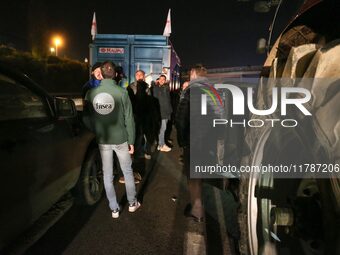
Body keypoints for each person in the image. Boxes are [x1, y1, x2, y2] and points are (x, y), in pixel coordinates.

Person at [84, 61, 141, 218]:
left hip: (103, 139)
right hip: (121, 139)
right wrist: (131, 141)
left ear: (101, 74)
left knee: (108, 175)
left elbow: (86, 118)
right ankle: (132, 203)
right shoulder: (122, 93)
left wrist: (96, 130)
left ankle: (114, 208)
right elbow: (129, 119)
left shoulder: (91, 94)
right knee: (127, 172)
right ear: (115, 74)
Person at [176, 64, 221, 222]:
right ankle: (200, 205)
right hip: (209, 141)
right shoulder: (214, 91)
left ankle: (197, 211)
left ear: (194, 75)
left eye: (190, 75)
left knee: (193, 178)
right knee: (201, 175)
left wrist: (181, 140)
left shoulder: (191, 90)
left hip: (193, 140)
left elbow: (181, 118)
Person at [152, 74, 172, 152]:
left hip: (166, 112)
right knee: (162, 129)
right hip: (161, 113)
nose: (161, 80)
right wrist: (154, 83)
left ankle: (161, 144)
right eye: (160, 79)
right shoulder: (156, 88)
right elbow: (155, 88)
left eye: (163, 79)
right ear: (158, 80)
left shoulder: (166, 88)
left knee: (163, 129)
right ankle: (161, 145)